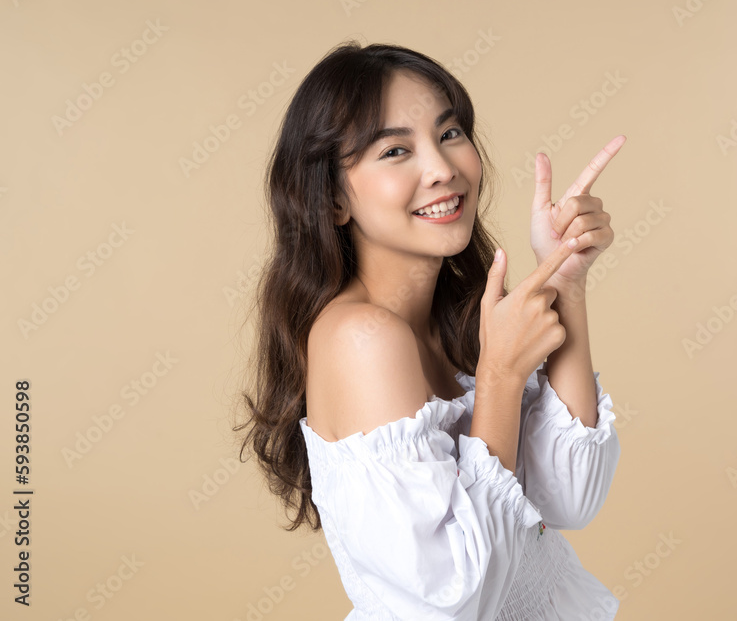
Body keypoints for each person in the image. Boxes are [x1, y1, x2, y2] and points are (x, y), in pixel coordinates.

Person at [235, 39, 626, 620]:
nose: (443, 170)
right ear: (334, 199)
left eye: (449, 134)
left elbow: (572, 496)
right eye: (395, 151)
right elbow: (458, 597)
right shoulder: (362, 338)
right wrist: (499, 377)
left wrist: (565, 281)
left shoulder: (458, 317)